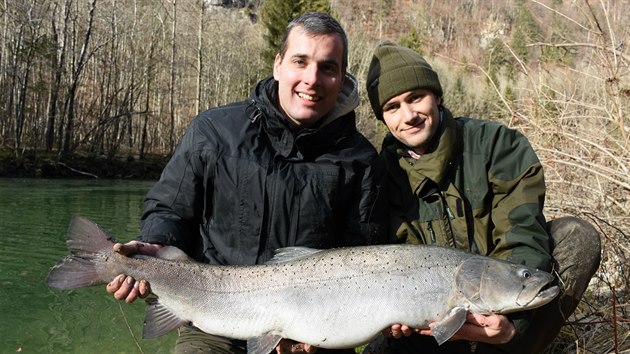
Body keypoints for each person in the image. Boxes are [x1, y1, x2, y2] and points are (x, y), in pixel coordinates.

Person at [106, 12, 388, 354]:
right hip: (212, 323)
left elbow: (360, 259)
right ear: (278, 64)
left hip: (314, 331)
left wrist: (319, 334)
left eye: (327, 68)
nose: (312, 79)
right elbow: (170, 210)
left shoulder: (360, 160)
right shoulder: (213, 131)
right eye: (300, 61)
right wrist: (154, 247)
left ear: (342, 78)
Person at [363, 40, 601, 353]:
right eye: (392, 107)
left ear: (436, 95)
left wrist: (511, 323)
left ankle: (511, 344)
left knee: (576, 237)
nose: (408, 115)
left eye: (415, 98)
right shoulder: (380, 175)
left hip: (502, 310)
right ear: (383, 118)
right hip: (428, 323)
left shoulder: (497, 145)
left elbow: (523, 236)